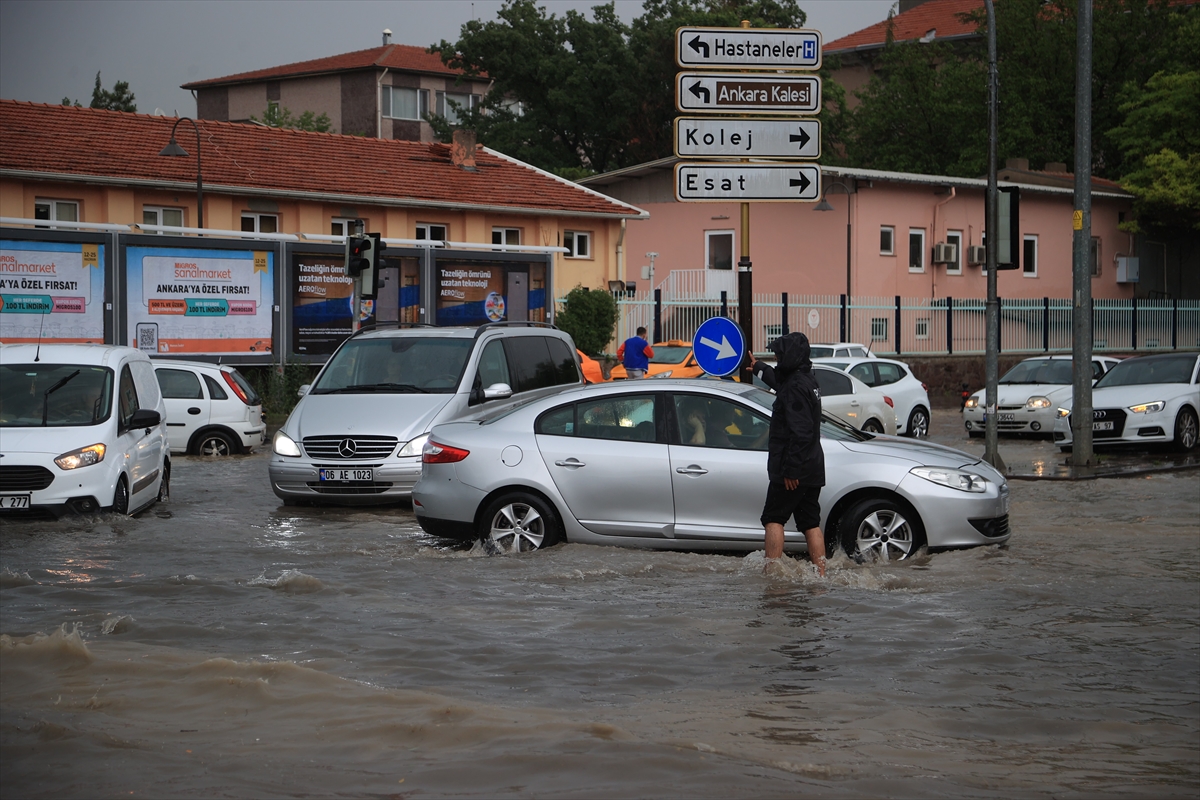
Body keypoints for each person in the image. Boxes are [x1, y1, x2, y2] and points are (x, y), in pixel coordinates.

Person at [748, 332, 827, 577]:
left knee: (773, 518)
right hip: (812, 466)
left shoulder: (794, 388)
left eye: (780, 354)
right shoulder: (806, 380)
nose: (776, 358)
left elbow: (800, 433)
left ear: (790, 356)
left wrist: (791, 471)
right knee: (810, 523)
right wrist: (758, 367)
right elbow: (781, 380)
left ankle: (772, 577)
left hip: (794, 470)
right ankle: (821, 576)